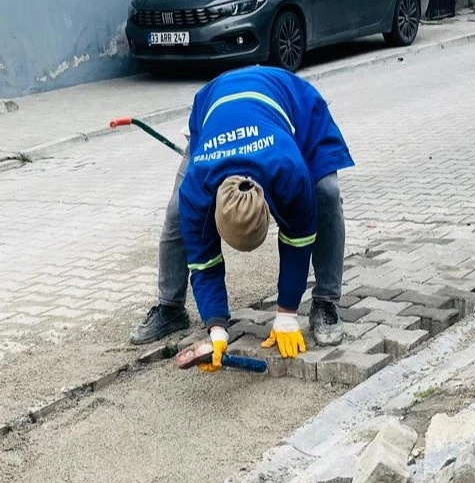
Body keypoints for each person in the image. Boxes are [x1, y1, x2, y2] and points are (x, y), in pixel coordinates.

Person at [130, 66, 353, 363]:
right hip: (214, 105)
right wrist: (217, 326)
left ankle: (325, 302)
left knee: (325, 192)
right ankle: (170, 308)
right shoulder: (197, 190)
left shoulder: (288, 172)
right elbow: (202, 259)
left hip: (292, 105)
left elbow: (298, 240)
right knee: (175, 212)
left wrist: (286, 313)